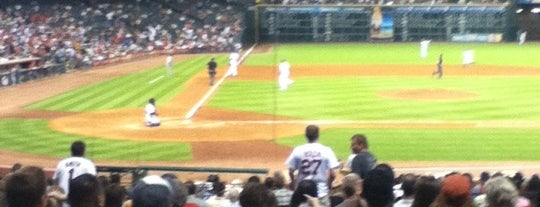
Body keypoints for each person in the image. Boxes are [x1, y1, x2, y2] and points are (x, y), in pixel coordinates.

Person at [285, 124, 340, 207]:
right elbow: (333, 174)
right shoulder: (326, 150)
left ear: (306, 135)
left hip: (301, 193)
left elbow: (290, 171)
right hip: (321, 192)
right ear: (318, 135)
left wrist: (293, 183)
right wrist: (328, 185)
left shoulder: (298, 150)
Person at [53, 141, 97, 207]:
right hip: (80, 203)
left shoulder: (62, 163)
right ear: (84, 152)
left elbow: (55, 183)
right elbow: (93, 184)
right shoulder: (88, 164)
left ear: (71, 151)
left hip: (63, 202)